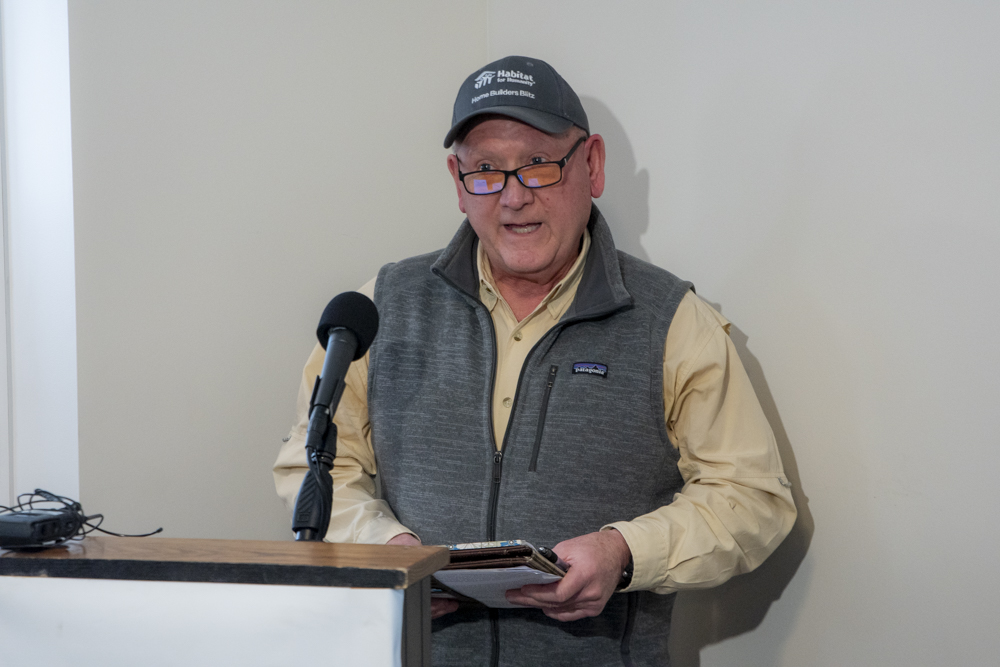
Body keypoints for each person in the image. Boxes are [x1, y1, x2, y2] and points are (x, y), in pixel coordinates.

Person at [274, 55, 796, 666]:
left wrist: (625, 552)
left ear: (592, 165)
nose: (514, 198)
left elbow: (753, 497)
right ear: (457, 179)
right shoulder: (379, 308)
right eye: (487, 171)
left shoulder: (674, 321)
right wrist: (388, 548)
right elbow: (313, 467)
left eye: (539, 166)